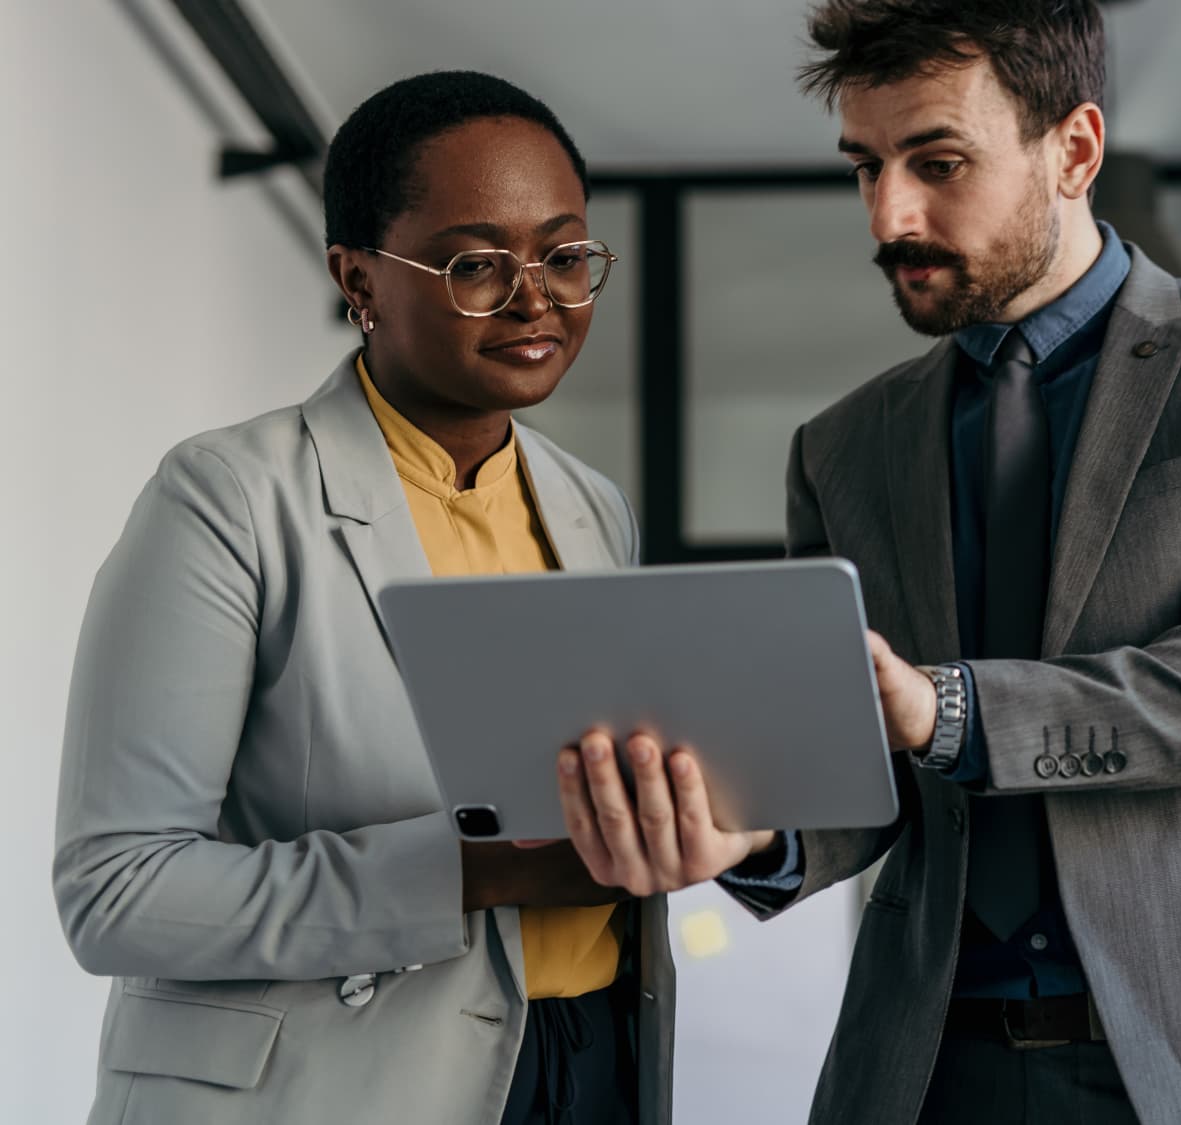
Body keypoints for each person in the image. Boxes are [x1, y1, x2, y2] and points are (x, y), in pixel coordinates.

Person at [603, 1, 1181, 1120]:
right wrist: (756, 829)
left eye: (937, 161)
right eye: (865, 167)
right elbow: (862, 768)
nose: (890, 213)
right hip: (932, 1065)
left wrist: (953, 713)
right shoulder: (841, 449)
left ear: (1075, 151)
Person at [52, 71, 759, 1125]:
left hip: (596, 1053)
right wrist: (473, 872)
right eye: (476, 264)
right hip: (340, 1080)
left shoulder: (589, 505)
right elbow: (117, 894)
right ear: (359, 279)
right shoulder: (229, 499)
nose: (535, 299)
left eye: (565, 255)